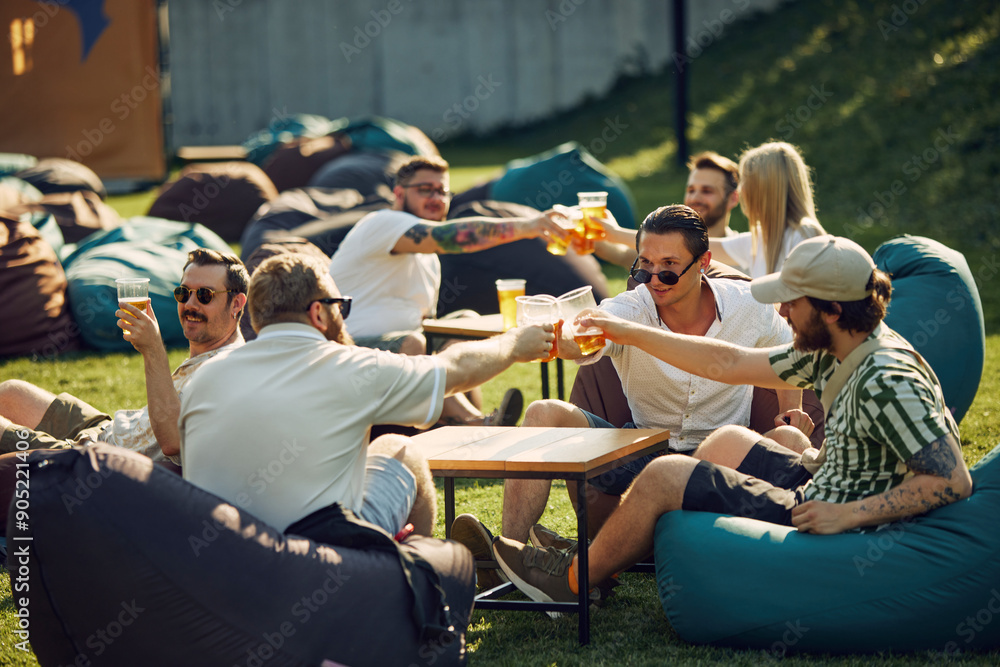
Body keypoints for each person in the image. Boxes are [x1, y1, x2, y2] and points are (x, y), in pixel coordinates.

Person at [491, 235, 973, 605]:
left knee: (666, 473)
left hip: (832, 513)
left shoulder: (886, 377)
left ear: (829, 308)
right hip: (822, 478)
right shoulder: (837, 346)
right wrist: (628, 331)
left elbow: (953, 480)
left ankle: (571, 580)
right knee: (726, 441)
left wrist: (847, 513)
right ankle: (618, 552)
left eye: (792, 300)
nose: (781, 310)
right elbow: (725, 363)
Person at [452, 205, 807, 588]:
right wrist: (566, 340)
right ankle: (512, 559)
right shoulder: (629, 309)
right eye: (644, 266)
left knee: (792, 440)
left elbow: (786, 356)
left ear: (703, 262)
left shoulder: (748, 306)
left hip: (722, 461)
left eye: (669, 266)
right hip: (640, 451)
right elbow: (585, 339)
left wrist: (792, 412)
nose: (655, 278)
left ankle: (779, 562)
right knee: (542, 412)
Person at [179, 253, 552, 539]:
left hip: (222, 571)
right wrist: (517, 343)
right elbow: (455, 370)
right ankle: (409, 591)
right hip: (323, 562)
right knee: (401, 450)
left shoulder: (203, 379)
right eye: (340, 306)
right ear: (318, 313)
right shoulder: (351, 368)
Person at [328, 155, 569, 428]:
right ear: (398, 194)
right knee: (414, 344)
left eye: (442, 191)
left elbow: (422, 319)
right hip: (348, 350)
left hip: (403, 351)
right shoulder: (383, 222)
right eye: (424, 190)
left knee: (462, 324)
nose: (436, 198)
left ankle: (470, 419)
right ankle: (477, 424)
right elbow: (451, 237)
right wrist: (527, 226)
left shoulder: (427, 257)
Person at [0, 248, 248, 464]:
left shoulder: (226, 368)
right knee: (10, 392)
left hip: (98, 460)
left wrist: (153, 350)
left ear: (237, 304)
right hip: (107, 429)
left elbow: (174, 442)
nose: (190, 304)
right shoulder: (208, 356)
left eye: (205, 295)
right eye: (184, 293)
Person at [710, 141, 827, 278]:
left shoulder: (804, 235)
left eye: (744, 181)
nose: (740, 189)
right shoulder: (760, 238)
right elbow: (697, 246)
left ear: (762, 188)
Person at [683, 151, 741, 240]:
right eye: (691, 191)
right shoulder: (665, 250)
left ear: (733, 199)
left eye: (707, 191)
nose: (694, 199)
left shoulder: (748, 251)